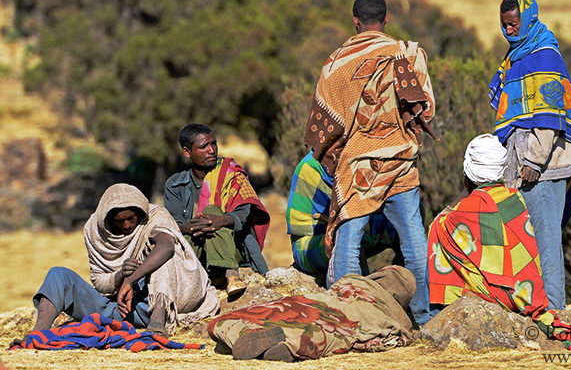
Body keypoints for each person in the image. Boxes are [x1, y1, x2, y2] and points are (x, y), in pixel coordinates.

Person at [303, 0, 436, 326]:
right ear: (387, 20)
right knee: (414, 237)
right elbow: (426, 108)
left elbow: (324, 126)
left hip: (356, 166)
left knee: (350, 238)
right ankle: (424, 315)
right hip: (401, 160)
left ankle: (348, 318)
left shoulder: (335, 64)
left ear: (355, 21)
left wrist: (337, 154)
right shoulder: (409, 53)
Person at [488, 0, 571, 310]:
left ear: (529, 18)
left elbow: (549, 116)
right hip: (523, 165)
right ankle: (534, 311)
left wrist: (535, 161)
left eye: (513, 23)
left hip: (545, 167)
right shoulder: (517, 56)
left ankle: (555, 315)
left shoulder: (544, 54)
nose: (509, 30)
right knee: (526, 243)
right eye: (504, 25)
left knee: (546, 243)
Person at [428, 134, 571, 350]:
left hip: (500, 296)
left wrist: (466, 191)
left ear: (469, 172)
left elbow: (439, 222)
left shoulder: (467, 210)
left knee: (438, 230)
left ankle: (443, 308)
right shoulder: (513, 197)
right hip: (527, 295)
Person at [12, 183, 219, 344]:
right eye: (120, 221)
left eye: (131, 218)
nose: (128, 225)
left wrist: (131, 279)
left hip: (152, 305)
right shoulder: (94, 231)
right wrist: (120, 275)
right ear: (108, 220)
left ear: (139, 212)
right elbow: (99, 282)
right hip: (117, 308)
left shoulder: (155, 216)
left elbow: (166, 247)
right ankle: (39, 334)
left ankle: (156, 328)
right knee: (58, 274)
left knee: (161, 258)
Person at [208, 265, 415, 362]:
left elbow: (334, 290)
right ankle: (289, 344)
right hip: (342, 317)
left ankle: (233, 327)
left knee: (283, 309)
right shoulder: (393, 313)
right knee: (330, 331)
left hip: (317, 302)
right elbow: (395, 336)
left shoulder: (355, 280)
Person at [164, 123, 271, 294]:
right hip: (195, 247)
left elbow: (243, 214)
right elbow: (173, 224)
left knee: (212, 212)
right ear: (187, 152)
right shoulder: (175, 185)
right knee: (206, 220)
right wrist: (195, 226)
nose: (211, 150)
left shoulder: (232, 174)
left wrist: (222, 220)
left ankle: (230, 274)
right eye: (203, 146)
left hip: (232, 248)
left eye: (213, 144)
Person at [285, 150, 399, 279]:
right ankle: (356, 290)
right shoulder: (314, 165)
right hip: (315, 243)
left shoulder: (379, 155)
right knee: (347, 236)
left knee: (410, 218)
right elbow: (300, 242)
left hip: (366, 234)